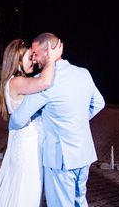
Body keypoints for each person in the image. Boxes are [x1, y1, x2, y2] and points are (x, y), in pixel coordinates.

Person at [10, 32, 105, 207]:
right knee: (80, 202)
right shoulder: (83, 73)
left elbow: (17, 119)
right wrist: (76, 119)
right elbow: (99, 103)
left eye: (36, 54)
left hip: (60, 160)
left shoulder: (44, 82)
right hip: (83, 155)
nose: (35, 59)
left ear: (48, 51)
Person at [0, 38, 62, 207]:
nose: (34, 61)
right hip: (27, 147)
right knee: (26, 190)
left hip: (26, 143)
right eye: (30, 58)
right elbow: (44, 82)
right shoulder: (16, 82)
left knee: (25, 189)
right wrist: (51, 59)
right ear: (17, 60)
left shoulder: (16, 81)